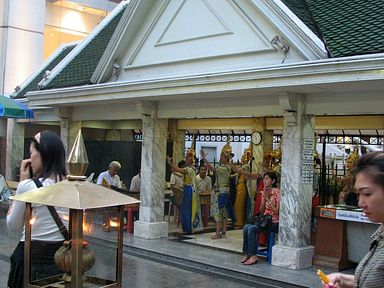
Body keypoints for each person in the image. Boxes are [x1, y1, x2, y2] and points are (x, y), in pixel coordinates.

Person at [7, 131, 68, 287]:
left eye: (31, 153)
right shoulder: (72, 186)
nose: (29, 159)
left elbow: (12, 225)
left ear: (43, 154)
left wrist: (22, 182)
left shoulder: (29, 186)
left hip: (30, 260)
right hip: (61, 263)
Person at [321, 151, 384, 288]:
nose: (360, 203)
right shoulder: (381, 233)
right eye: (358, 194)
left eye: (367, 193)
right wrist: (345, 280)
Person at [241, 171, 280, 265]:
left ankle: (253, 255)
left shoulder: (277, 192)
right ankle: (247, 253)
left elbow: (277, 211)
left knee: (252, 229)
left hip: (274, 221)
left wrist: (267, 199)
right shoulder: (264, 191)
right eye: (264, 179)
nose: (264, 181)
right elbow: (262, 211)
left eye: (267, 179)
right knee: (246, 227)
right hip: (264, 220)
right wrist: (263, 199)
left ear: (273, 181)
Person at [201, 141, 238, 240]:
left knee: (217, 212)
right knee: (224, 211)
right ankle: (224, 232)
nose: (220, 158)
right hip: (226, 192)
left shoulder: (221, 168)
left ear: (226, 158)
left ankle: (218, 233)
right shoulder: (229, 167)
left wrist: (204, 158)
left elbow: (211, 168)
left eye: (222, 156)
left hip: (219, 192)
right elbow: (235, 169)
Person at [167, 150, 203, 234]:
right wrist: (175, 173)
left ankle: (187, 228)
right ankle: (188, 227)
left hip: (189, 189)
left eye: (186, 158)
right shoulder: (191, 169)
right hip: (189, 189)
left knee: (186, 209)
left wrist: (169, 162)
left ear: (190, 160)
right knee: (187, 209)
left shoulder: (189, 169)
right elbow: (181, 174)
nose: (185, 160)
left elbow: (177, 169)